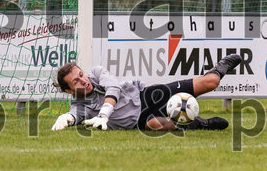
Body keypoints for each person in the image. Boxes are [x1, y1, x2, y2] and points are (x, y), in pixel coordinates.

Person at [51, 55, 242, 132]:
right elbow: (74, 115)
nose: (83, 81)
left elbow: (114, 89)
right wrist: (66, 118)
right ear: (68, 90)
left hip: (146, 95)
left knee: (211, 82)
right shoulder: (79, 105)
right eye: (76, 82)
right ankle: (203, 123)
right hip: (139, 119)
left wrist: (103, 115)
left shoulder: (97, 73)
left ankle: (220, 67)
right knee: (155, 124)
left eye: (81, 75)